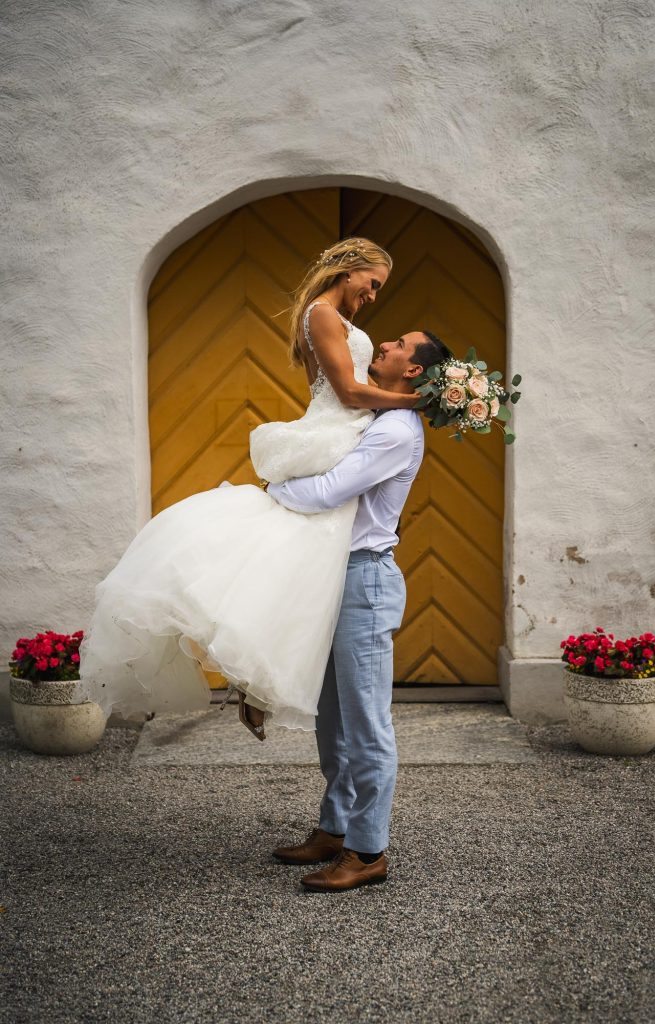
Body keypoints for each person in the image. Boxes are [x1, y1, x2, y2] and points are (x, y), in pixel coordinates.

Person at [78, 238, 420, 733]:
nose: (372, 298)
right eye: (371, 285)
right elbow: (347, 391)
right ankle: (255, 678)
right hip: (336, 431)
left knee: (302, 560)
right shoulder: (324, 314)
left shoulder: (331, 316)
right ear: (349, 270)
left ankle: (257, 683)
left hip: (349, 429)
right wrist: (415, 401)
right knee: (305, 547)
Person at [269, 328, 449, 891]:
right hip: (332, 576)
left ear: (412, 371)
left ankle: (368, 851)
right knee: (333, 718)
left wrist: (269, 493)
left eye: (398, 344)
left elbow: (331, 490)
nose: (387, 344)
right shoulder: (376, 414)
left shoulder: (396, 429)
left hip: (363, 580)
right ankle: (335, 828)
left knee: (366, 723)